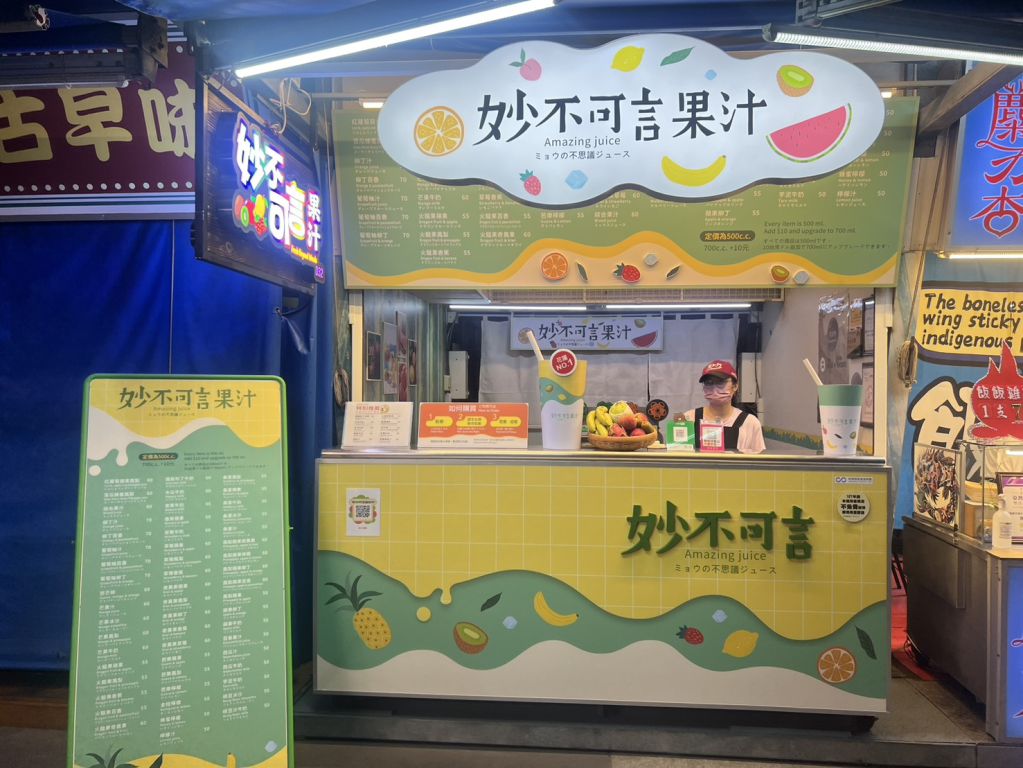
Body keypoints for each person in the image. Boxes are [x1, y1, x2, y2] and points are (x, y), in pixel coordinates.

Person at [678, 360, 765, 454]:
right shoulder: (688, 419)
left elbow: (758, 460)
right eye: (709, 383)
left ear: (735, 386)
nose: (714, 388)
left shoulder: (750, 423)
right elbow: (677, 455)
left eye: (720, 382)